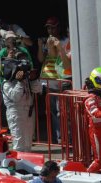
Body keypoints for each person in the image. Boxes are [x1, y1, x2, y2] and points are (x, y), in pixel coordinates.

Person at [0, 32, 41, 152]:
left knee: (28, 144)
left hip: (28, 112)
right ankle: (19, 168)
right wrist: (19, 81)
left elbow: (38, 90)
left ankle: (27, 166)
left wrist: (33, 79)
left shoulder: (26, 79)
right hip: (15, 113)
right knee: (19, 145)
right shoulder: (6, 83)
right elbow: (16, 96)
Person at [37, 16, 71, 144]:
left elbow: (55, 55)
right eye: (48, 28)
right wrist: (41, 46)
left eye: (52, 27)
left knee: (61, 112)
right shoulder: (48, 41)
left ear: (58, 28)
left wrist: (52, 46)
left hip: (61, 79)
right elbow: (41, 59)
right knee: (51, 111)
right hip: (48, 79)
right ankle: (58, 139)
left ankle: (64, 140)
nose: (50, 30)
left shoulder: (64, 41)